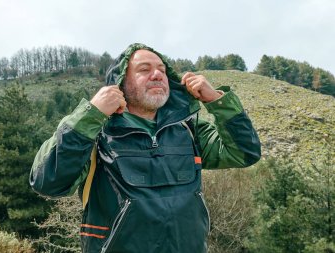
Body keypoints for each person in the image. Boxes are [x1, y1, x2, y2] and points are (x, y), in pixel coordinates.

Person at [30, 43, 261, 253]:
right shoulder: (94, 130)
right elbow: (47, 181)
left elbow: (245, 152)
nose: (157, 75)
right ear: (120, 82)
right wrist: (90, 115)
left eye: (162, 69)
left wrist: (217, 101)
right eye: (144, 69)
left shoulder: (189, 129)